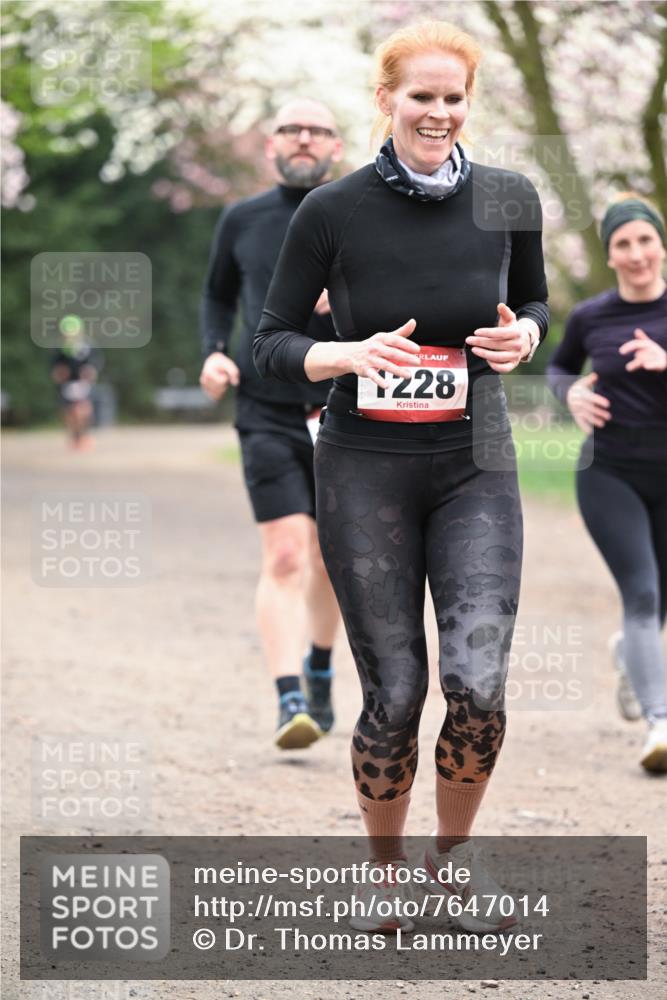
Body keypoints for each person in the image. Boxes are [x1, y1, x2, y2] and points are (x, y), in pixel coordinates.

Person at [255, 21, 548, 931]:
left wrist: (526, 334)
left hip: (476, 464)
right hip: (364, 468)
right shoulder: (331, 210)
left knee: (480, 685)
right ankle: (384, 874)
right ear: (385, 100)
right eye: (420, 96)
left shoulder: (508, 196)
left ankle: (450, 866)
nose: (438, 112)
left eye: (453, 97)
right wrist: (342, 354)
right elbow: (269, 344)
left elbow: (534, 301)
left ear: (468, 103)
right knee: (394, 692)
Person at [199, 99, 343, 750]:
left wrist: (343, 297)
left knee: (331, 559)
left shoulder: (358, 215)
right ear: (271, 145)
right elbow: (217, 293)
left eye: (317, 130)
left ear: (336, 146)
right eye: (291, 129)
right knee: (286, 553)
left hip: (345, 406)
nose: (304, 138)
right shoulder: (243, 218)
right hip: (264, 407)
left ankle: (319, 662)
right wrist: (213, 351)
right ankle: (289, 700)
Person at [547, 194, 667, 773]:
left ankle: (629, 655)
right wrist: (568, 392)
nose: (637, 252)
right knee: (641, 593)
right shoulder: (593, 316)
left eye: (645, 239)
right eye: (624, 243)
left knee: (659, 603)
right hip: (610, 472)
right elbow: (558, 366)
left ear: (661, 246)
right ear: (611, 254)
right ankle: (660, 723)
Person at [50, 323, 102, 451]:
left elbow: (95, 362)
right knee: (70, 413)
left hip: (83, 383)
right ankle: (74, 437)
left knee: (83, 410)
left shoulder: (87, 346)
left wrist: (91, 371)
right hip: (67, 384)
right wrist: (58, 372)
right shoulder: (61, 348)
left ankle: (84, 436)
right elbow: (55, 366)